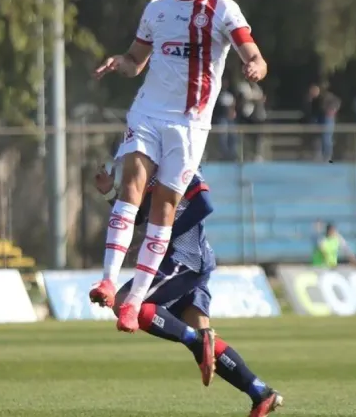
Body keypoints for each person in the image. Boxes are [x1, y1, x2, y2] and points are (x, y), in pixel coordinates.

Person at [90, 0, 268, 333]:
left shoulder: (223, 10)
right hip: (148, 113)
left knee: (164, 209)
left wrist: (255, 67)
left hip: (190, 125)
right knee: (133, 185)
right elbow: (136, 61)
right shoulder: (156, 9)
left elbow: (253, 54)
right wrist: (119, 62)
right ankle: (106, 278)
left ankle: (134, 301)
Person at [93, 163, 283, 417]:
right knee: (203, 337)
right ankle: (261, 392)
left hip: (184, 259)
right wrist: (109, 194)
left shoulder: (180, 165)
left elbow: (204, 204)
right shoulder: (151, 173)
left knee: (125, 303)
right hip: (186, 261)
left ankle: (195, 339)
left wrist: (166, 235)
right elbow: (140, 218)